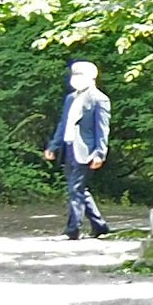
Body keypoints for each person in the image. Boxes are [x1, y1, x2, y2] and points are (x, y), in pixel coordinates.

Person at [48, 60, 114, 238]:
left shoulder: (99, 99)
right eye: (74, 75)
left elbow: (102, 129)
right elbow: (64, 124)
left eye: (80, 75)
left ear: (92, 77)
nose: (76, 79)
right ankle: (100, 226)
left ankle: (72, 230)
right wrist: (53, 146)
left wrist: (99, 153)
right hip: (69, 148)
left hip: (86, 150)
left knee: (75, 189)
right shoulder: (70, 98)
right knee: (79, 189)